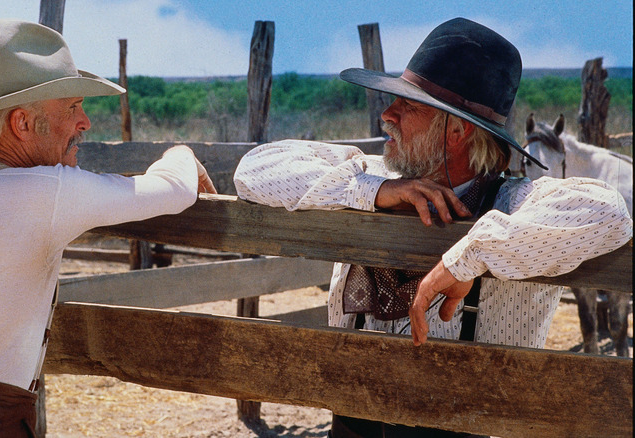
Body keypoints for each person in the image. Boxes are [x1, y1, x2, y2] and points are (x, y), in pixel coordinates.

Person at [233, 17, 632, 438]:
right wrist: (378, 190)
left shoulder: (517, 203)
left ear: (457, 130)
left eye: (410, 106)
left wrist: (468, 258)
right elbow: (253, 169)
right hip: (351, 420)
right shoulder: (366, 174)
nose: (387, 115)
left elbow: (608, 213)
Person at [0, 19, 215, 437]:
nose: (85, 121)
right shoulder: (47, 191)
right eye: (72, 108)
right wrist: (182, 153)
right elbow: (172, 189)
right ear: (21, 124)